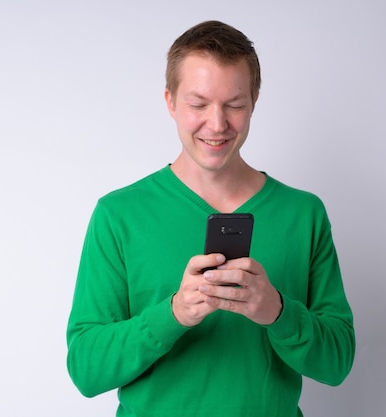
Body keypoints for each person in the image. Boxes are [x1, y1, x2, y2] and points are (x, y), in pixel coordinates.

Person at [67, 20, 355, 417]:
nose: (217, 125)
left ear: (254, 101)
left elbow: (338, 363)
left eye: (234, 105)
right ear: (170, 102)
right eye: (198, 104)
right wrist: (173, 314)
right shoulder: (118, 215)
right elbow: (86, 369)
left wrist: (277, 311)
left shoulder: (303, 215)